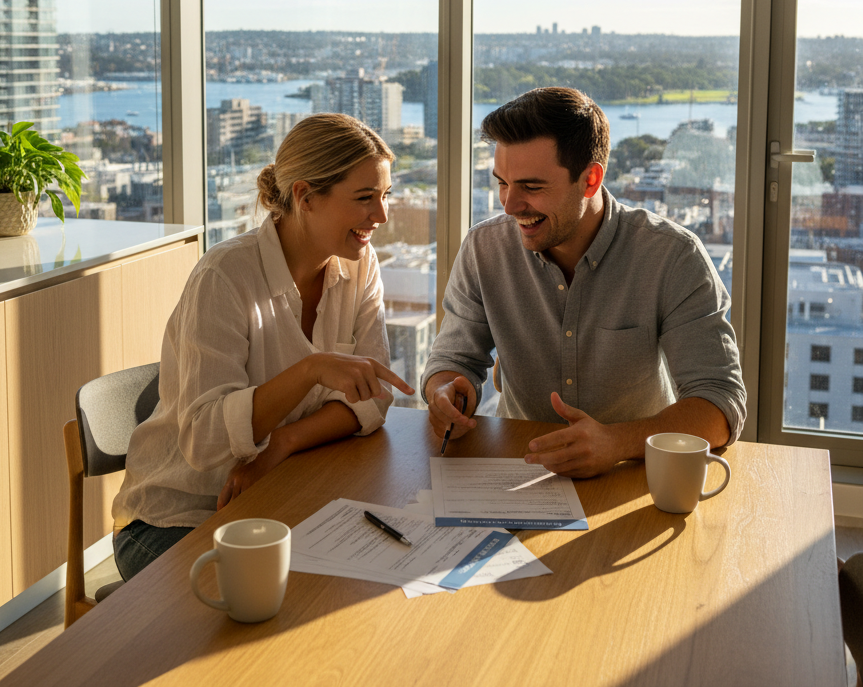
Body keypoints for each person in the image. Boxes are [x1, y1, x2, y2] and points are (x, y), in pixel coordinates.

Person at [112, 113, 414, 580]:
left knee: (352, 587)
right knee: (273, 604)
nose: (382, 216)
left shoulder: (360, 265)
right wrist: (312, 370)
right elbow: (204, 440)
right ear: (305, 196)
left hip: (275, 491)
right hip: (176, 517)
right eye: (365, 199)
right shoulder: (224, 278)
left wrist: (283, 444)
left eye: (385, 196)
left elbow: (372, 400)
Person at [423, 86, 746, 478]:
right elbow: (453, 361)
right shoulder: (483, 248)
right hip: (521, 470)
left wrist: (619, 442)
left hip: (630, 474)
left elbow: (720, 403)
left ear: (590, 179)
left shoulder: (673, 256)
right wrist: (443, 393)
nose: (508, 206)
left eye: (531, 187)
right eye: (502, 183)